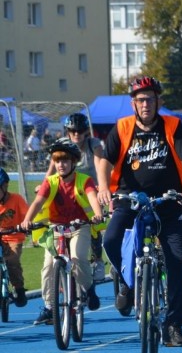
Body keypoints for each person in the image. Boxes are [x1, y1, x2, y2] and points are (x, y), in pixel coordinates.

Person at [96, 76, 182, 348]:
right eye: (140, 99)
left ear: (159, 102)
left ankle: (174, 325)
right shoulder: (122, 128)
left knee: (177, 259)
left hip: (168, 202)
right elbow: (104, 160)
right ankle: (127, 283)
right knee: (110, 240)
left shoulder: (173, 126)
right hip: (130, 200)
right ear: (133, 103)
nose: (145, 104)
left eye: (150, 99)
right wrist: (105, 187)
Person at [21, 139, 103, 325]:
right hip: (55, 230)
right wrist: (26, 220)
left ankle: (88, 289)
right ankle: (50, 307)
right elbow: (37, 203)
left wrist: (97, 214)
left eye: (65, 160)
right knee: (48, 266)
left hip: (79, 227)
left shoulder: (84, 180)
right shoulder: (50, 182)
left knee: (77, 257)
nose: (61, 164)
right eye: (57, 160)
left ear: (74, 162)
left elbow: (92, 197)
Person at [46, 113, 107, 282]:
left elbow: (99, 165)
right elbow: (51, 171)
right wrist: (44, 185)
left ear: (86, 131)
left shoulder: (93, 145)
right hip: (68, 192)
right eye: (72, 131)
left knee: (95, 223)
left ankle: (97, 259)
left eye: (80, 131)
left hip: (89, 190)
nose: (76, 134)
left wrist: (101, 187)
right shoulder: (62, 147)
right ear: (68, 131)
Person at [0, 168, 29, 308]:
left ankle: (19, 289)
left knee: (12, 261)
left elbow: (27, 215)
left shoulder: (16, 199)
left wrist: (26, 225)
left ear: (5, 187)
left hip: (14, 237)